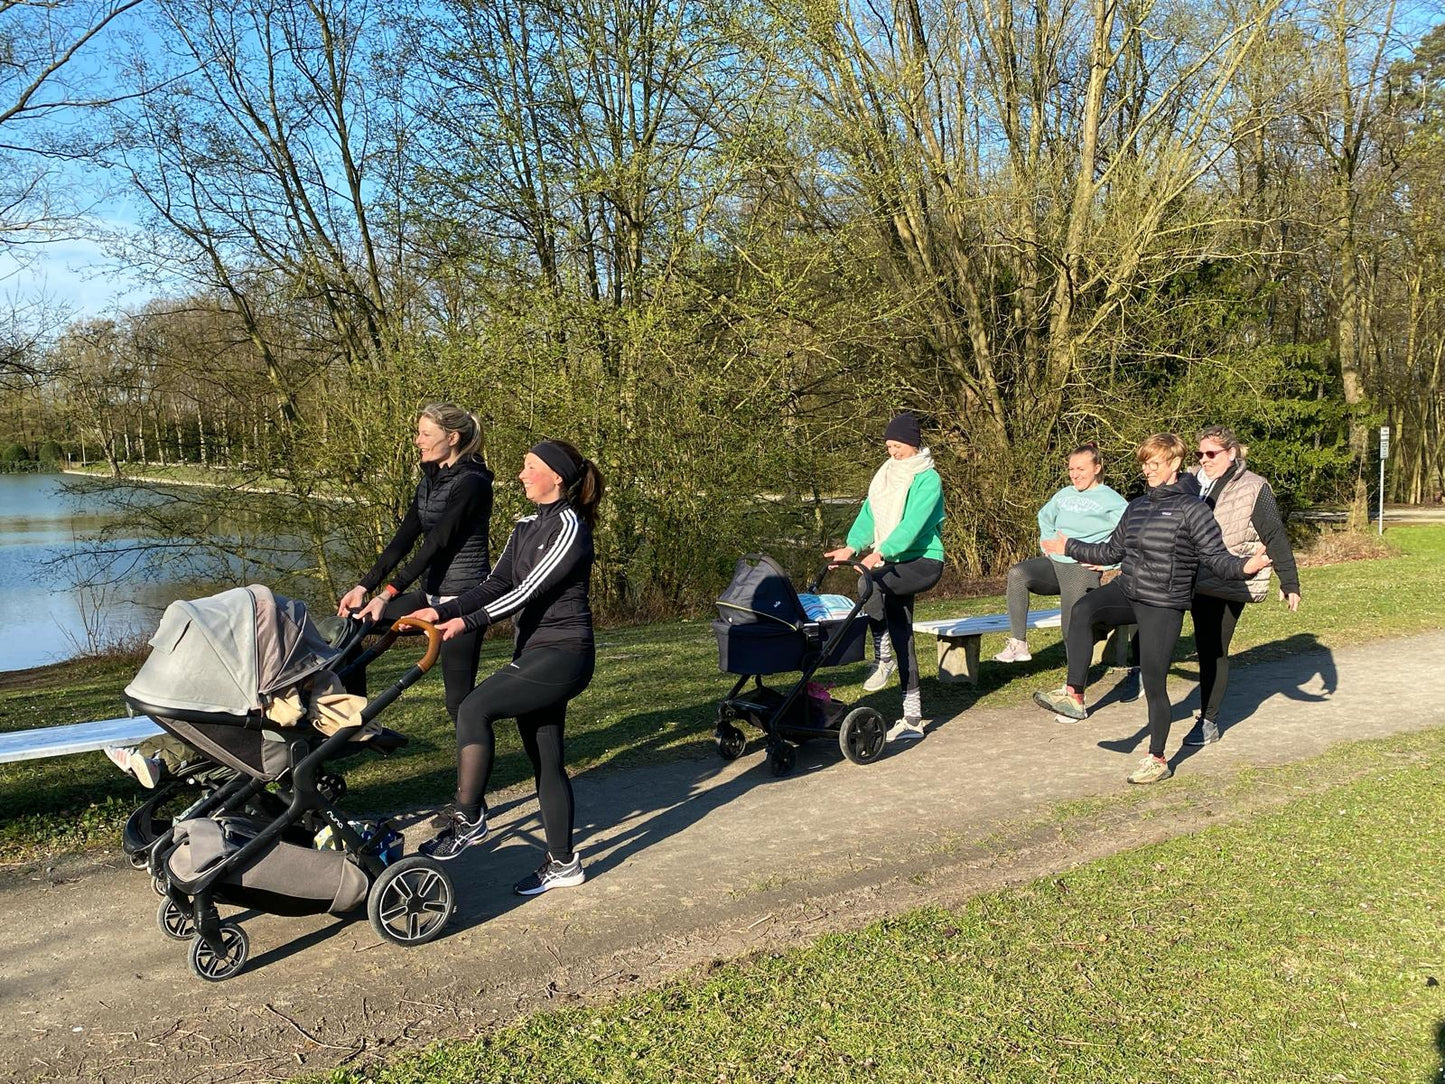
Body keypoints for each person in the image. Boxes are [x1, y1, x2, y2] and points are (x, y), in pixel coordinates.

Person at [408, 439, 603, 896]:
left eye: (529, 466)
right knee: (546, 758)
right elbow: (496, 583)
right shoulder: (525, 526)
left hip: (564, 654)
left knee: (474, 708)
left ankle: (469, 815)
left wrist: (467, 622)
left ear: (556, 476)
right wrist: (442, 610)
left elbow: (526, 591)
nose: (520, 474)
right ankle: (563, 863)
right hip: (534, 653)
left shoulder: (570, 527)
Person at [1031, 433, 1272, 784]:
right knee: (1083, 609)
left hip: (1163, 604)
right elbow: (1111, 552)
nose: (1147, 470)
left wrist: (1245, 567)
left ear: (1174, 463)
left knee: (1155, 684)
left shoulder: (1194, 510)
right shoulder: (1138, 507)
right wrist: (1070, 546)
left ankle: (1157, 759)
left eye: (1154, 463)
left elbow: (1216, 558)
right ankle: (1074, 695)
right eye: (1144, 463)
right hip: (1128, 590)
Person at [336, 403, 493, 724]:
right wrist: (364, 587)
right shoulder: (430, 480)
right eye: (418, 433)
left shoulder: (472, 483)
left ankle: (477, 753)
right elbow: (403, 539)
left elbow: (436, 545)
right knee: (351, 627)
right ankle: (354, 722)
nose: (417, 441)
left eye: (425, 434)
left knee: (459, 703)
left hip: (462, 601)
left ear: (452, 437)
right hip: (429, 595)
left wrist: (387, 593)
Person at [824, 411, 945, 743]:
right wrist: (852, 547)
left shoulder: (928, 479)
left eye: (897, 447)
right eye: (889, 446)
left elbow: (913, 524)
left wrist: (880, 553)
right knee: (902, 632)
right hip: (893, 563)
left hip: (923, 560)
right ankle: (913, 718)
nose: (892, 453)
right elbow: (870, 514)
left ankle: (883, 656)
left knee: (869, 582)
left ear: (912, 444)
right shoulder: (886, 475)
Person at [1181, 425, 1301, 746]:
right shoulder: (1190, 481)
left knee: (1213, 648)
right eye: (1200, 453)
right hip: (1190, 577)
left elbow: (1274, 534)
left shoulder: (1253, 487)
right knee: (1195, 642)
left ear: (1231, 453)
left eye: (1211, 453)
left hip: (1229, 579)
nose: (1204, 459)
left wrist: (1289, 580)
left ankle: (1208, 721)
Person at [993, 442, 1130, 692]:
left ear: (1097, 468)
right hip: (1055, 563)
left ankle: (1073, 687)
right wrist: (1047, 542)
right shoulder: (1064, 494)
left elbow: (1130, 534)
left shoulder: (1111, 500)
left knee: (1071, 627)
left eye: (1081, 469)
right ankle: (1019, 643)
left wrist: (1109, 561)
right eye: (1071, 469)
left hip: (1080, 568)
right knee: (1018, 574)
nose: (1074, 474)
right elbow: (1044, 517)